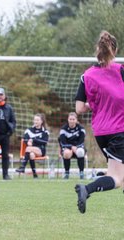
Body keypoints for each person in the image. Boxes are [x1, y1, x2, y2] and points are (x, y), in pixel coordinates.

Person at [74, 31, 124, 214]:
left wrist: (93, 104)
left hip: (101, 132)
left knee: (120, 174)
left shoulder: (86, 75)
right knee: (117, 179)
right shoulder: (121, 71)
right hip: (119, 130)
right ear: (115, 50)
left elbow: (79, 109)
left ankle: (102, 177)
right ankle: (87, 189)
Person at [15, 114, 49, 178]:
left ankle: (22, 167)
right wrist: (28, 142)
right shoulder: (29, 130)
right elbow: (25, 139)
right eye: (35, 120)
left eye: (37, 120)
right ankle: (34, 174)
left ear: (42, 121)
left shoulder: (45, 131)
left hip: (41, 150)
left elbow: (45, 142)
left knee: (28, 148)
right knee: (31, 155)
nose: (36, 121)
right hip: (31, 149)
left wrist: (33, 140)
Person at [59, 112, 86, 179]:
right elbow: (63, 143)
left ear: (76, 120)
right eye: (70, 119)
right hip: (68, 148)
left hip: (78, 147)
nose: (72, 121)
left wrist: (76, 147)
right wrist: (71, 147)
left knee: (80, 152)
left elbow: (81, 141)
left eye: (73, 119)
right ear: (68, 119)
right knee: (67, 153)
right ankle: (67, 173)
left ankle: (81, 173)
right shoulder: (63, 129)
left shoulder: (81, 129)